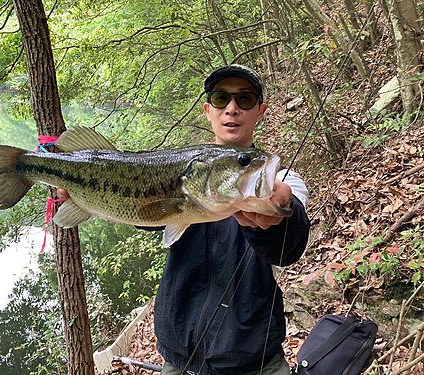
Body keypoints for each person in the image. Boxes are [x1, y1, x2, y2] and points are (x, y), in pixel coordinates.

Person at [58, 64, 310, 375]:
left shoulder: (279, 178)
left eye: (245, 99)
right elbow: (149, 211)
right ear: (208, 110)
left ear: (260, 111)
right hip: (180, 359)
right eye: (221, 99)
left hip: (255, 360)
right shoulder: (178, 167)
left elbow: (288, 248)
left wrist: (280, 217)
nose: (232, 108)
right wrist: (96, 199)